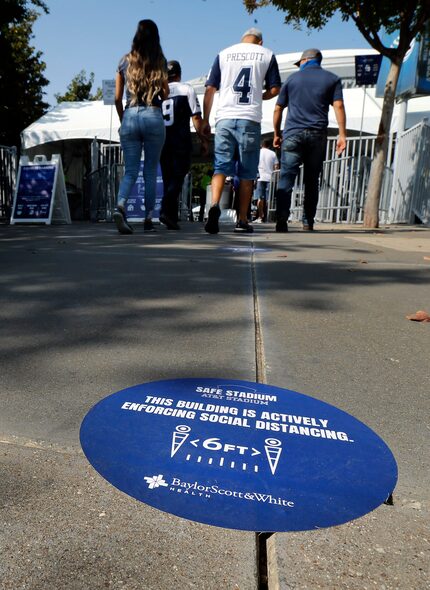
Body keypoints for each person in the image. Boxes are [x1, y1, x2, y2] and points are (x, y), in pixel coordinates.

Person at [202, 27, 281, 234]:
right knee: (247, 172)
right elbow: (275, 89)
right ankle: (243, 219)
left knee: (220, 167)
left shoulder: (224, 54)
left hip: (225, 117)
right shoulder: (267, 54)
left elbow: (210, 88)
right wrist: (261, 96)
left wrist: (205, 119)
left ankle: (214, 205)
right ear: (260, 42)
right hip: (249, 119)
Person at [273, 48, 347, 232]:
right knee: (312, 180)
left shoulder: (291, 79)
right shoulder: (332, 79)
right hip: (317, 134)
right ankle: (308, 222)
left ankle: (282, 219)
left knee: (286, 179)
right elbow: (338, 105)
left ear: (305, 60)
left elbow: (278, 108)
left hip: (292, 134)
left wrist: (276, 133)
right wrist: (342, 134)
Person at [113, 19, 169, 234]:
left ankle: (120, 206)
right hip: (153, 115)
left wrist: (123, 119)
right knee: (150, 171)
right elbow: (165, 94)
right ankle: (148, 219)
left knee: (130, 171)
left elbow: (118, 97)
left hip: (130, 114)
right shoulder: (160, 61)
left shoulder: (124, 61)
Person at [160, 60, 208, 230]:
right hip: (180, 139)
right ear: (179, 74)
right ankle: (166, 210)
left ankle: (171, 216)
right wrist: (203, 139)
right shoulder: (186, 89)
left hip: (162, 140)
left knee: (168, 179)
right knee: (178, 177)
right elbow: (196, 117)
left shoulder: (159, 90)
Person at [254, 139, 279, 222]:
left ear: (261, 145)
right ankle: (268, 217)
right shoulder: (273, 154)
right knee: (269, 198)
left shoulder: (257, 152)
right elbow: (276, 167)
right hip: (270, 178)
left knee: (260, 198)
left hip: (260, 177)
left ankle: (260, 217)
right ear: (269, 145)